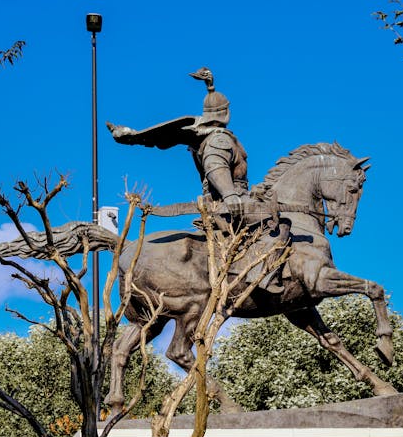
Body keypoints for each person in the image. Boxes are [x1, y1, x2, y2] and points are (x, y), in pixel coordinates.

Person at [107, 68, 288, 294]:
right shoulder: (219, 139)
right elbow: (215, 167)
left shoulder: (213, 137)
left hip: (235, 199)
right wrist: (230, 195)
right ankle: (264, 276)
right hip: (228, 203)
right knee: (281, 225)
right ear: (224, 113)